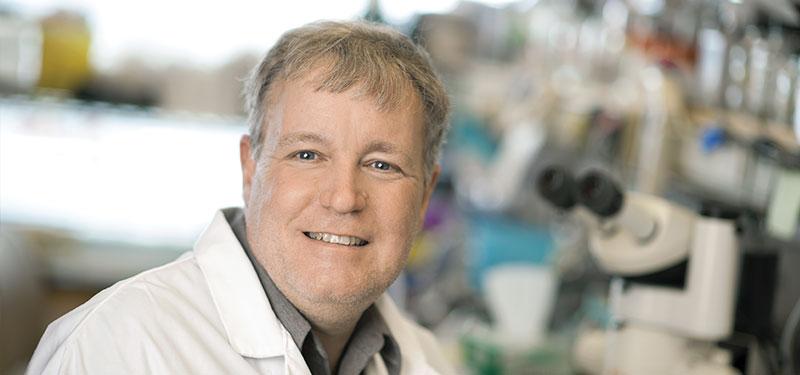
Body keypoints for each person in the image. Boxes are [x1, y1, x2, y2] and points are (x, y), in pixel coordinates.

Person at [27, 20, 453, 375]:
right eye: (307, 154)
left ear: (424, 197)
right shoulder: (120, 348)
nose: (343, 198)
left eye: (381, 165)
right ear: (251, 169)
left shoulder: (427, 359)